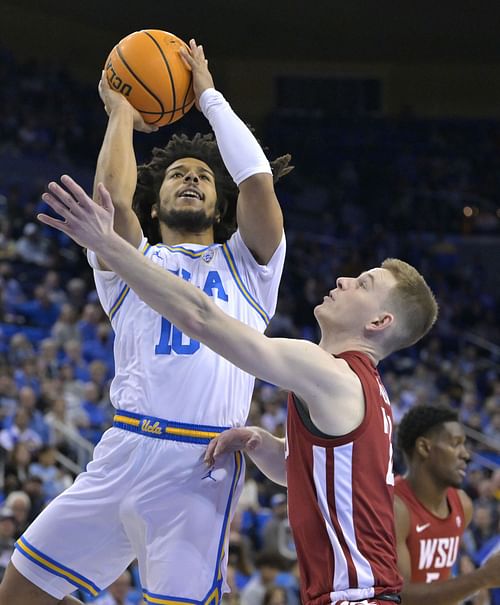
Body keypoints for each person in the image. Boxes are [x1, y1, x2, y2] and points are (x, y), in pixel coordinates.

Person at [35, 174, 440, 604]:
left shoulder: (330, 371)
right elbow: (313, 478)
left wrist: (107, 243)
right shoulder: (370, 390)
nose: (343, 280)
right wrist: (264, 443)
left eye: (363, 284)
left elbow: (201, 317)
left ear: (379, 323)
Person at [0, 41, 291, 605]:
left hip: (197, 464)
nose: (190, 179)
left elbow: (258, 184)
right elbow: (109, 200)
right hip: (121, 448)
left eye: (203, 177)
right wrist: (121, 115)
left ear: (219, 204)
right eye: (177, 174)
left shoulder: (250, 268)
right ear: (153, 206)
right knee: (19, 592)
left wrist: (207, 95)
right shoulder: (131, 261)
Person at [394, 404, 500, 605]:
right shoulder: (395, 508)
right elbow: (400, 597)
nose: (466, 455)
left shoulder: (463, 504)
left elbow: (441, 573)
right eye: (455, 444)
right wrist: (483, 577)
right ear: (424, 447)